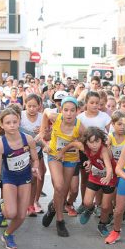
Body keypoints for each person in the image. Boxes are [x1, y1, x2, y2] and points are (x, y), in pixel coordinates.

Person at [0, 108, 40, 249]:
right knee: (11, 213)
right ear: (2, 125)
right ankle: (1, 209)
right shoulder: (0, 144)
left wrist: (35, 168)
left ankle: (7, 234)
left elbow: (35, 160)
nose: (12, 125)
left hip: (25, 178)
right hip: (9, 178)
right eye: (8, 123)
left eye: (14, 122)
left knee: (21, 215)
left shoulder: (28, 139)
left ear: (19, 122)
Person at [36, 96, 85, 237]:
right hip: (54, 155)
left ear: (77, 111)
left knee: (63, 190)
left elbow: (86, 141)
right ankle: (60, 220)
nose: (69, 113)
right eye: (66, 110)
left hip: (70, 158)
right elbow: (45, 111)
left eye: (72, 110)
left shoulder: (80, 127)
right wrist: (42, 131)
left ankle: (52, 208)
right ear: (61, 110)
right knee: (59, 186)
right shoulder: (55, 117)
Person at [63, 127, 116, 237]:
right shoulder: (84, 147)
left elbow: (109, 167)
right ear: (86, 142)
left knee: (105, 207)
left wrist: (108, 176)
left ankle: (102, 224)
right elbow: (72, 144)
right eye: (91, 142)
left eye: (97, 141)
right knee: (87, 202)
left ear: (102, 140)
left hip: (109, 178)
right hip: (95, 176)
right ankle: (90, 209)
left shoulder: (104, 150)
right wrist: (61, 153)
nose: (94, 145)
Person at [20, 94, 45, 216]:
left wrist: (43, 131)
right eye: (29, 106)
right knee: (22, 179)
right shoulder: (20, 115)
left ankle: (31, 205)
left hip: (37, 151)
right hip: (21, 152)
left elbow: (49, 133)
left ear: (39, 106)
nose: (31, 108)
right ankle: (21, 203)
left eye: (34, 106)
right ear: (25, 105)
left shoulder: (42, 117)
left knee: (34, 178)